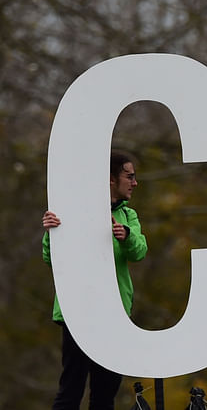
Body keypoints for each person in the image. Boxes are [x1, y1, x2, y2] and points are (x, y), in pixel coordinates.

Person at [42, 151, 148, 410]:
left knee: (104, 395)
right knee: (70, 392)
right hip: (79, 312)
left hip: (114, 314)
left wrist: (127, 236)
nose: (135, 183)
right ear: (110, 179)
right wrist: (51, 233)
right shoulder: (73, 212)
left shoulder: (128, 215)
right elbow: (51, 259)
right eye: (129, 176)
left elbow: (140, 251)